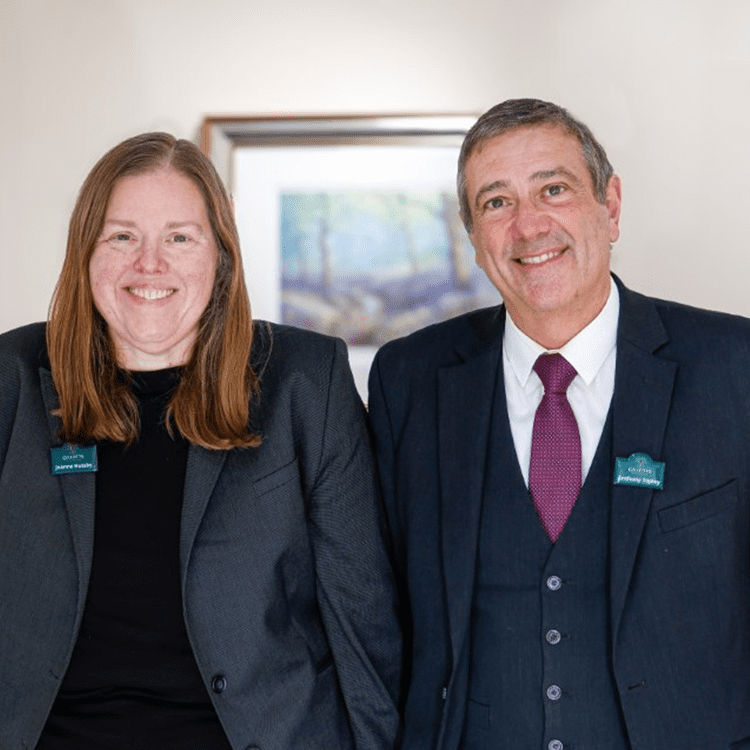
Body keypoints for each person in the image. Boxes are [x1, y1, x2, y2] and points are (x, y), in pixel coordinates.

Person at [368, 98, 750, 750]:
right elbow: (378, 608)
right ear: (474, 238)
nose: (528, 226)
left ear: (611, 206)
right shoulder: (409, 381)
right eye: (496, 202)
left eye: (554, 189)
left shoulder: (734, 367)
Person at [0, 132, 401, 750]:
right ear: (86, 252)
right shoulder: (13, 376)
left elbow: (362, 616)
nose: (149, 264)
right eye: (121, 236)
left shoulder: (305, 380)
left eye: (179, 238)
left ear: (220, 254)